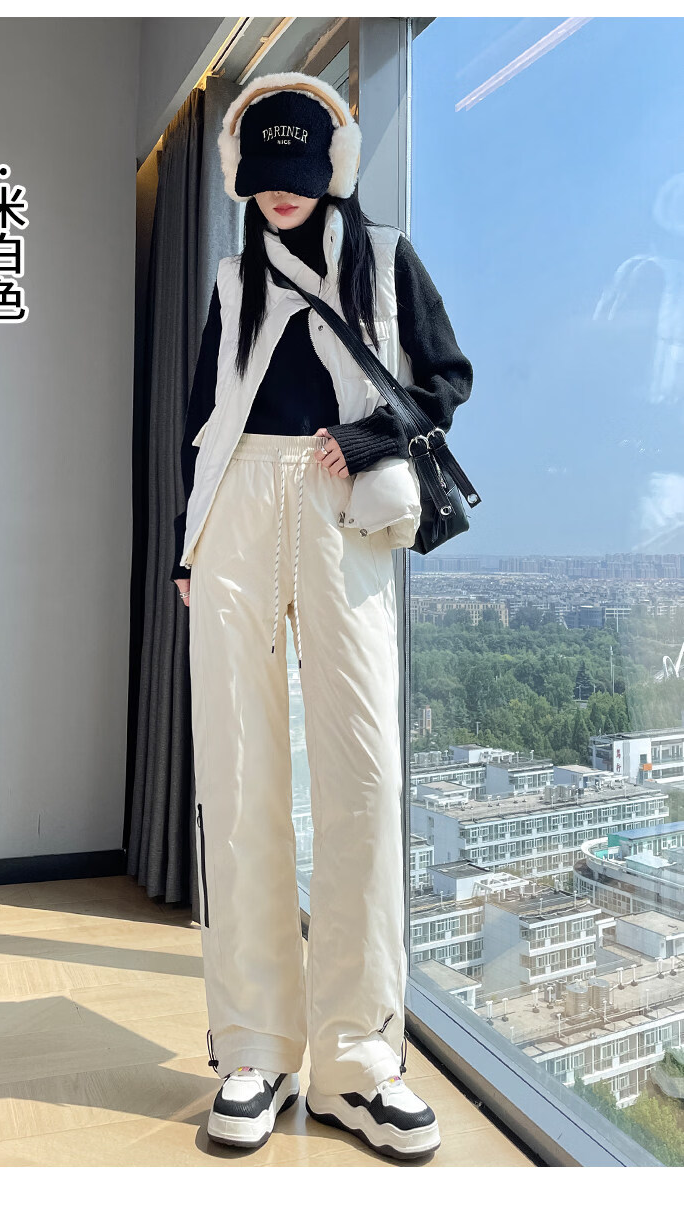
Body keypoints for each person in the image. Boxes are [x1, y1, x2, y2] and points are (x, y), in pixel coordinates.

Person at [170, 71, 473, 1161]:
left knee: (364, 775)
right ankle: (253, 1046)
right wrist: (186, 542)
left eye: (297, 173)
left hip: (344, 501)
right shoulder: (231, 275)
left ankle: (360, 1059)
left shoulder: (384, 258)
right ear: (240, 176)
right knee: (236, 772)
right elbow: (205, 415)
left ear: (331, 166)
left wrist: (371, 438)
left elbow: (446, 380)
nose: (280, 194)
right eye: (263, 177)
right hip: (235, 509)